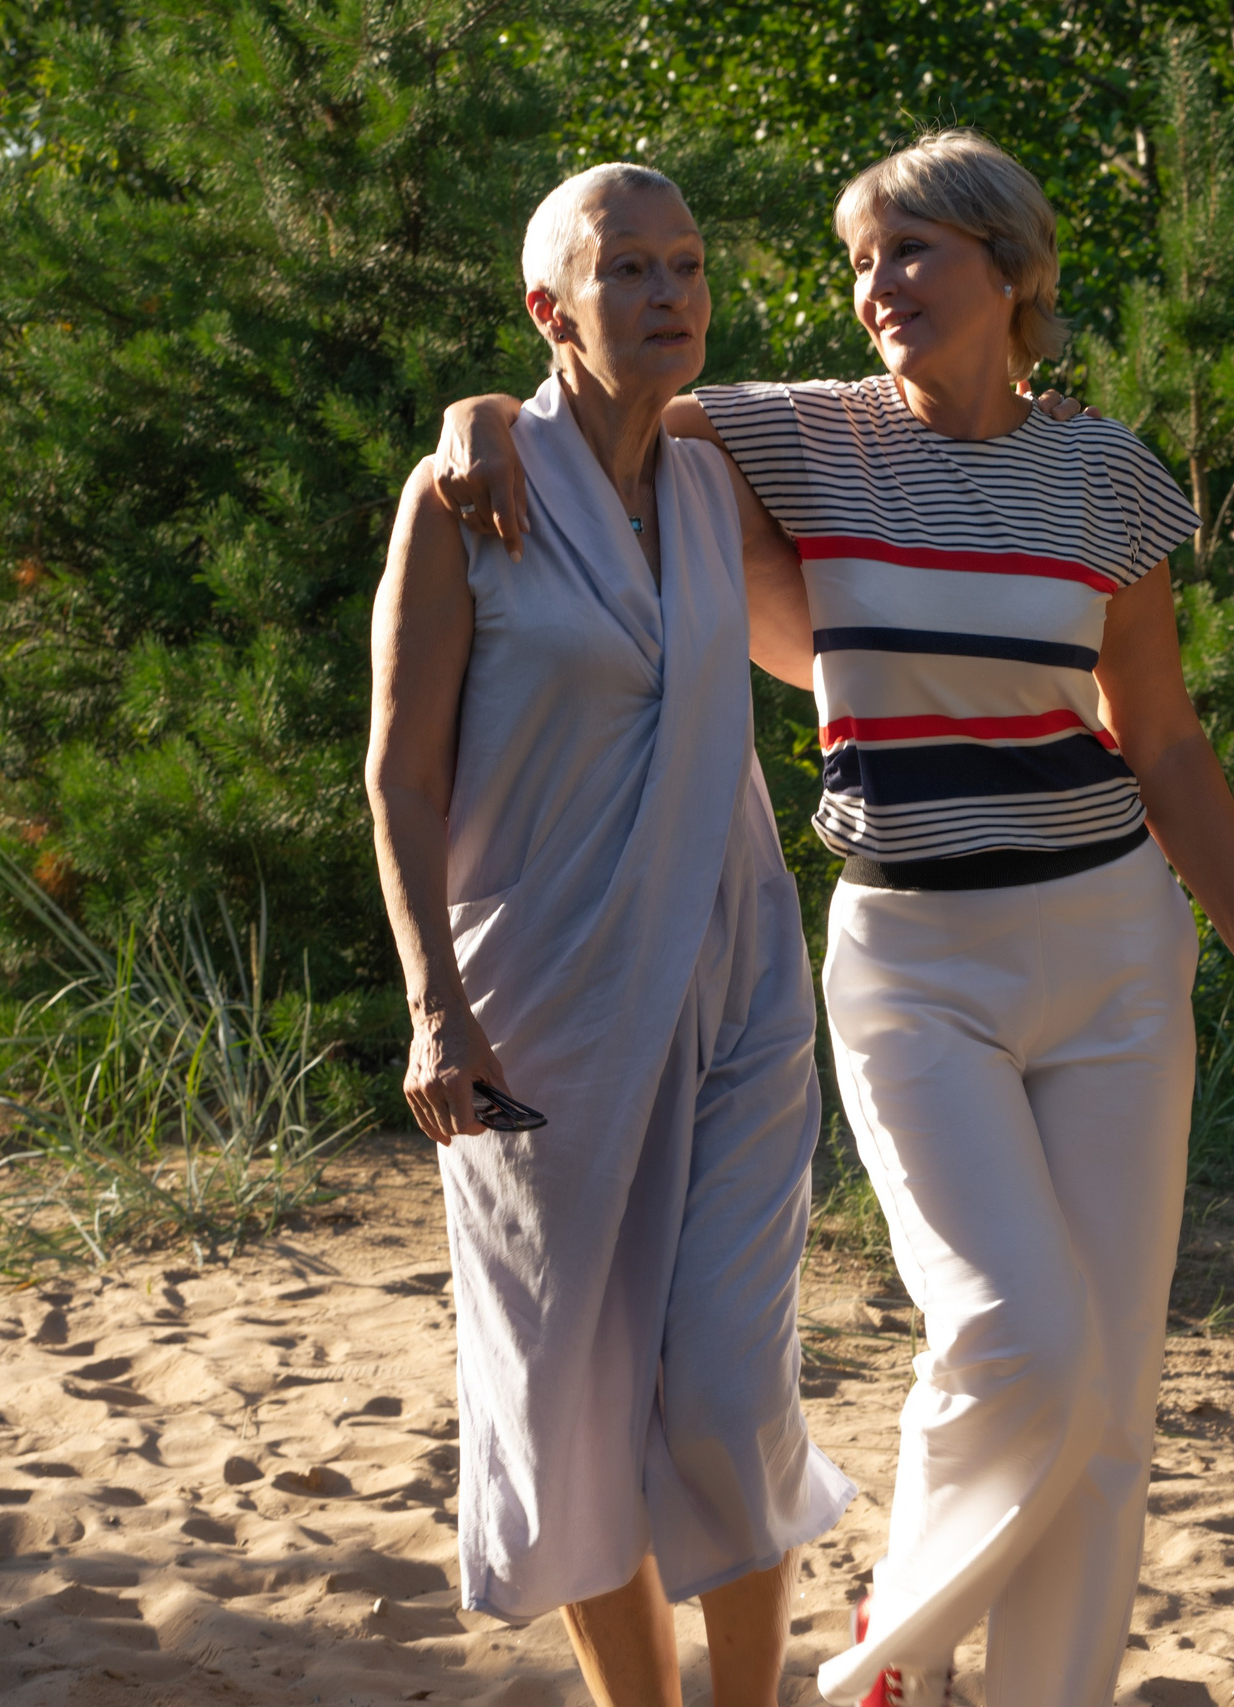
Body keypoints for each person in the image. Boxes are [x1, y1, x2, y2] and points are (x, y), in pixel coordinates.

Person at [434, 131, 1234, 1707]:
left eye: (912, 252)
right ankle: (888, 1669)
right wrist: (476, 414)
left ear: (1012, 275)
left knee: (1108, 1399)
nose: (876, 289)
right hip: (914, 957)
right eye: (861, 260)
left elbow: (1167, 738)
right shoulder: (803, 437)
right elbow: (596, 404)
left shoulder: (1109, 478)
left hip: (1116, 951)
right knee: (1015, 1340)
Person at [363, 161, 852, 1707]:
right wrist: (435, 1007)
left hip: (740, 990)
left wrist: (484, 398)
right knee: (563, 1407)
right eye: (626, 268)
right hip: (538, 1016)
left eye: (688, 266)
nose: (668, 294)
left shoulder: (720, 475)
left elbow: (924, 403)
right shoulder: (467, 493)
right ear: (547, 306)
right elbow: (402, 767)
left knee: (727, 1392)